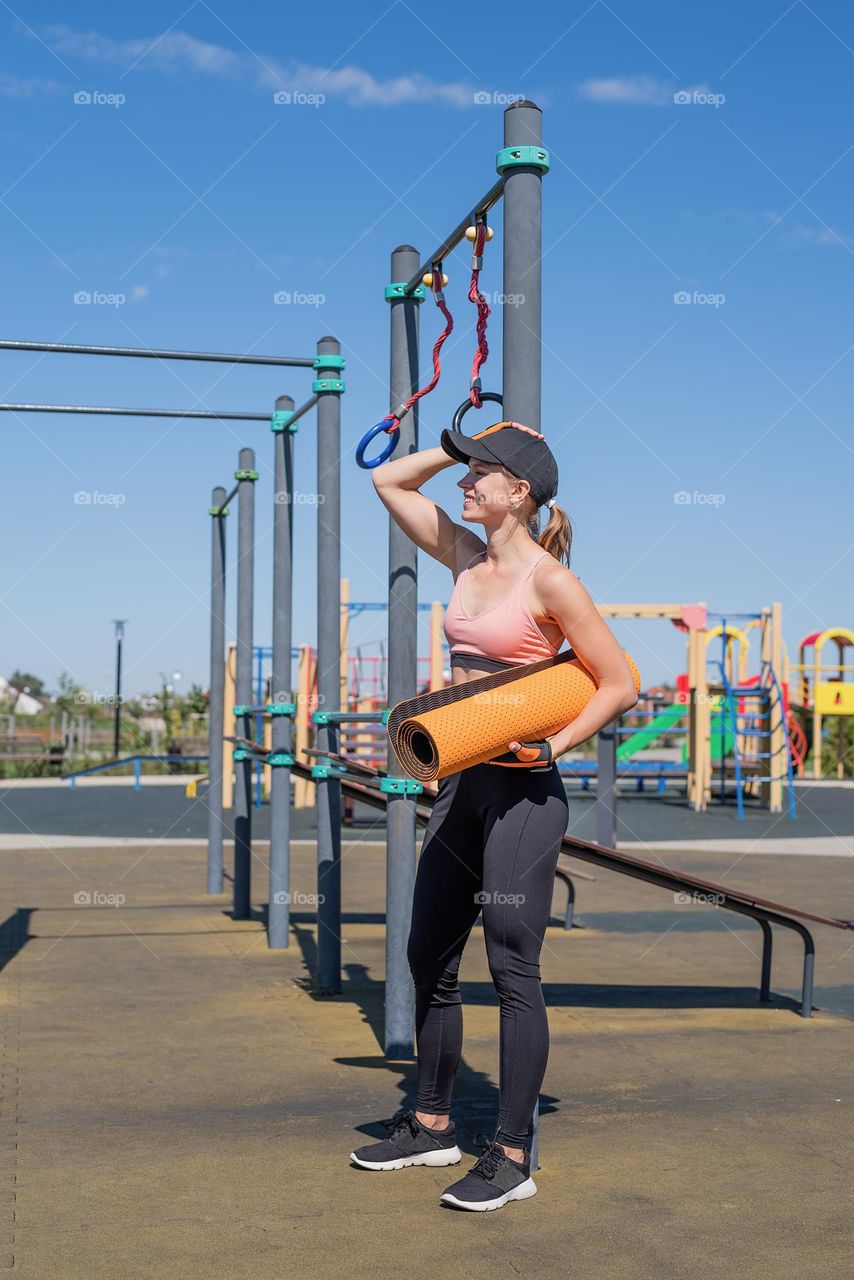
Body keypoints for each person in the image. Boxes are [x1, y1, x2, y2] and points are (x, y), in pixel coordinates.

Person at [349, 420, 638, 1211]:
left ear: (521, 493)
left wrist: (555, 746)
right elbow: (388, 483)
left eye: (480, 473)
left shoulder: (551, 582)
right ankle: (434, 1122)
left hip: (523, 791)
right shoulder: (465, 556)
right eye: (466, 470)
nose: (464, 484)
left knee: (511, 963)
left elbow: (619, 681)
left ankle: (512, 1153)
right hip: (460, 779)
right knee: (426, 951)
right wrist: (452, 440)